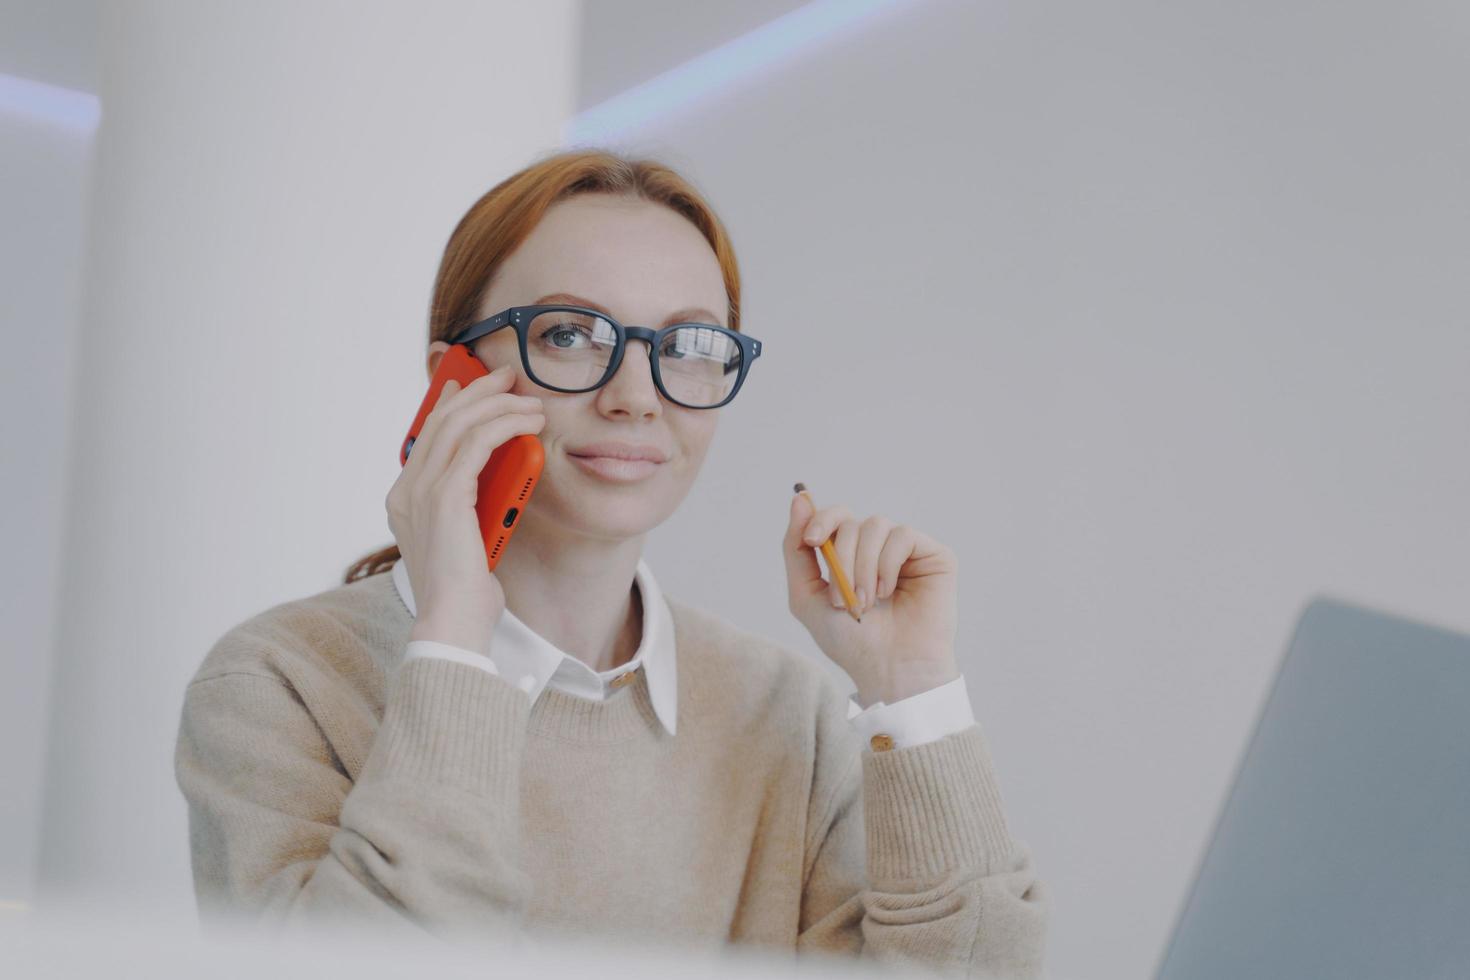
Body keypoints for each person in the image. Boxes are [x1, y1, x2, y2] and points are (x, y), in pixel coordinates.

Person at [173, 148, 1050, 976]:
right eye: (569, 335)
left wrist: (915, 691)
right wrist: (450, 640)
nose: (636, 398)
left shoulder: (790, 718)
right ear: (455, 380)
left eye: (691, 347)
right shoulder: (279, 682)